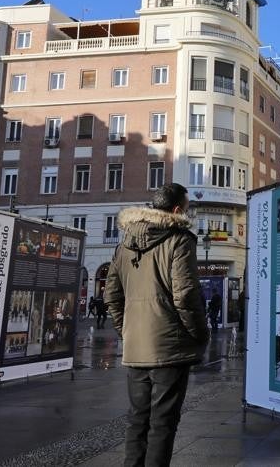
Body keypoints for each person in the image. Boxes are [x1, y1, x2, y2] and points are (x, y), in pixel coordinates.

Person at [104, 183, 208, 467]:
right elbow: (185, 294)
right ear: (177, 210)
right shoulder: (179, 239)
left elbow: (111, 295)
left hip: (136, 347)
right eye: (186, 209)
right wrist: (199, 334)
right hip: (170, 349)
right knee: (162, 423)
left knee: (137, 420)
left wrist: (126, 329)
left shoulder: (124, 242)